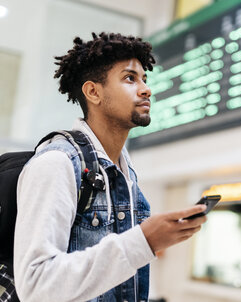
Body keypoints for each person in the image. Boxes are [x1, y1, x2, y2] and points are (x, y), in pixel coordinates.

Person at [13, 32, 207, 302]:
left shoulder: (124, 174)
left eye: (144, 79)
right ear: (93, 92)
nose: (145, 89)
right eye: (130, 78)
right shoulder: (56, 163)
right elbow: (35, 287)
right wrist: (144, 241)